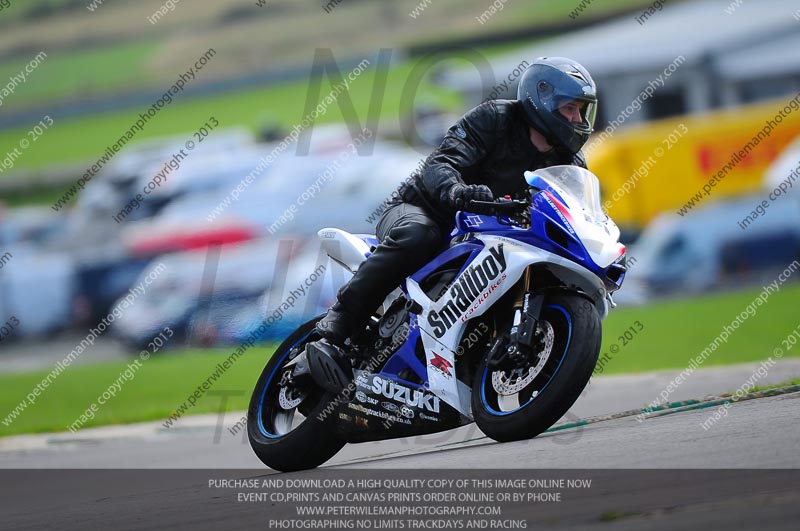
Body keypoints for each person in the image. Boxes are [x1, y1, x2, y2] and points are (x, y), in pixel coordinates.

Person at [316, 56, 598, 349]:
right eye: (570, 108)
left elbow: (576, 208)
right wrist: (455, 190)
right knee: (420, 235)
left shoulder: (569, 161)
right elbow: (442, 162)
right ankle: (340, 320)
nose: (578, 120)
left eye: (581, 110)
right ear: (543, 100)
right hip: (425, 210)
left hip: (489, 236)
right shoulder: (495, 118)